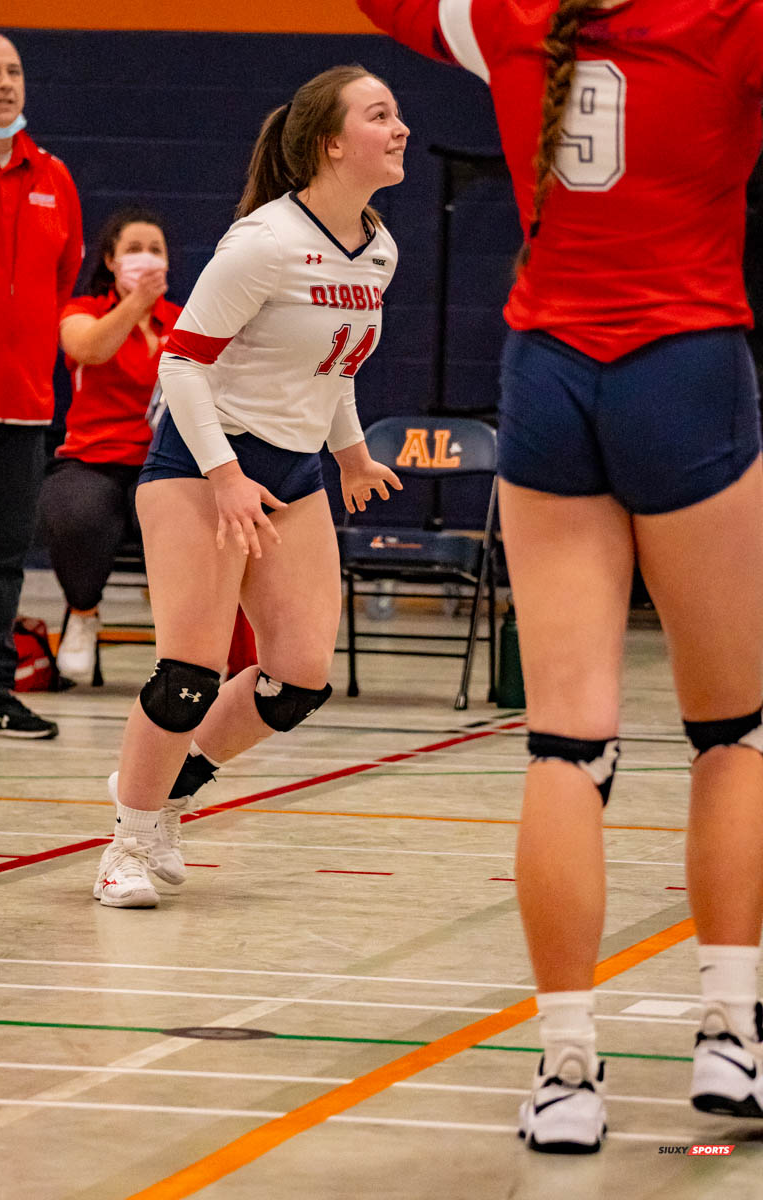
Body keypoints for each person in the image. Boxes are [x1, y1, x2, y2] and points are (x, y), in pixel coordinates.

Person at [360, 0, 763, 1154]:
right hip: (683, 366)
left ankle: (565, 1070)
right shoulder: (725, 20)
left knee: (563, 743)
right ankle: (729, 1035)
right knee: (729, 731)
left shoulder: (504, 15)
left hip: (548, 375)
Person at [92, 64, 408, 908]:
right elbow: (182, 366)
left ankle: (171, 790)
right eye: (381, 116)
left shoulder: (378, 246)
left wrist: (349, 455)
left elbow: (329, 368)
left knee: (298, 680)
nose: (401, 129)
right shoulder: (263, 242)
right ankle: (126, 841)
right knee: (188, 673)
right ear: (331, 143)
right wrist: (224, 476)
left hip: (293, 471)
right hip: (202, 463)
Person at [0, 30, 82, 738]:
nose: (4, 83)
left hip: (21, 410)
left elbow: (60, 282)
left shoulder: (54, 179)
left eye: (13, 71)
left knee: (2, 562)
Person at [38, 207, 181, 683]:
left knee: (188, 523)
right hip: (91, 458)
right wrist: (134, 305)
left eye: (155, 250)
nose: (145, 258)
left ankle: (184, 644)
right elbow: (89, 350)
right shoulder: (83, 311)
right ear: (111, 260)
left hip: (161, 462)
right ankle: (83, 613)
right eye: (134, 250)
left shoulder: (180, 322)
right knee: (76, 515)